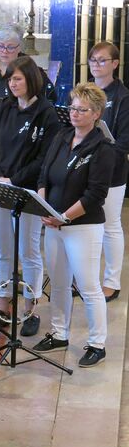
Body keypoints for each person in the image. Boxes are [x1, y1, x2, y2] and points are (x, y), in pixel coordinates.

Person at [33, 83, 114, 368]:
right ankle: (59, 333)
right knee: (58, 283)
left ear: (96, 114)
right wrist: (43, 206)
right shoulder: (62, 136)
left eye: (82, 109)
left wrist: (64, 217)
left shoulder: (103, 148)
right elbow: (44, 174)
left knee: (89, 286)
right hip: (54, 223)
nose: (74, 113)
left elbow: (95, 195)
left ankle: (97, 344)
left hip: (83, 227)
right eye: (72, 108)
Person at [0, 56, 59, 337]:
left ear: (31, 80)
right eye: (10, 79)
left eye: (17, 79)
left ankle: (30, 309)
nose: (12, 84)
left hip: (26, 190)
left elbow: (44, 158)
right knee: (3, 251)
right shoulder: (4, 107)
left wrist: (14, 180)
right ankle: (3, 307)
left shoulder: (46, 113)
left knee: (28, 251)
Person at [0, 24, 57, 155]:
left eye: (10, 47)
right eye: (1, 46)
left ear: (19, 47)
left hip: (20, 137)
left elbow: (49, 99)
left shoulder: (32, 71)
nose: (4, 51)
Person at [87, 41, 129, 302]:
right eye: (93, 59)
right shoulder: (85, 92)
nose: (96, 64)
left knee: (110, 225)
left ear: (115, 64)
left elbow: (124, 142)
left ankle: (112, 282)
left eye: (102, 60)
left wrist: (100, 158)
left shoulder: (123, 97)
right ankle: (85, 279)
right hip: (83, 169)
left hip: (111, 171)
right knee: (86, 228)